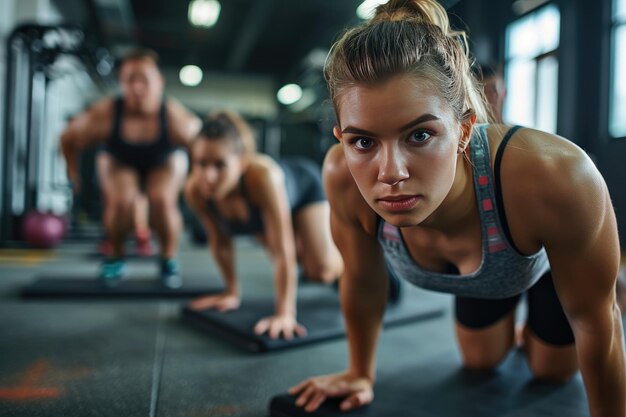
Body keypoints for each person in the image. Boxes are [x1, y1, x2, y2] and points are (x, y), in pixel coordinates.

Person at [289, 1, 625, 416]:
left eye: (419, 135)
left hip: (545, 266)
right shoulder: (342, 177)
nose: (390, 173)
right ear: (341, 137)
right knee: (480, 362)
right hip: (485, 277)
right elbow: (361, 282)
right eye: (363, 141)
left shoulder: (557, 176)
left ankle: (587, 294)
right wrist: (360, 372)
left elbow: (598, 323)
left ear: (463, 129)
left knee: (551, 371)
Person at [184, 110, 343, 340]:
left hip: (304, 189)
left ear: (241, 162)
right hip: (268, 212)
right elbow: (220, 242)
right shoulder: (194, 191)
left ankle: (358, 262)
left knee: (322, 272)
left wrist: (285, 314)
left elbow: (281, 251)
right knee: (301, 261)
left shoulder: (263, 177)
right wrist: (231, 292)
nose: (208, 176)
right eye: (201, 163)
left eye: (220, 165)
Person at [60, 48, 202, 288]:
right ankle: (115, 257)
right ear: (121, 83)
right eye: (129, 80)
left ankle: (168, 258)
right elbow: (68, 138)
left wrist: (198, 180)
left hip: (164, 159)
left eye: (144, 80)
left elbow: (202, 149)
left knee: (162, 200)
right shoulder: (105, 114)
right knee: (121, 202)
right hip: (119, 159)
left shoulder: (178, 119)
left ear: (159, 82)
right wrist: (72, 172)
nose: (137, 87)